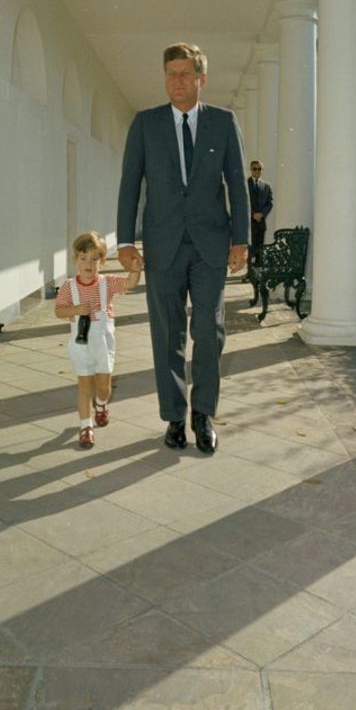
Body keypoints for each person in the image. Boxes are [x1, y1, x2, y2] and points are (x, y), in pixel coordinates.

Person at [116, 43, 250, 455]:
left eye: (185, 73)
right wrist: (124, 240)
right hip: (164, 245)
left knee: (209, 331)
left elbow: (236, 183)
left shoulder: (223, 123)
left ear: (200, 79)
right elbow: (130, 184)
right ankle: (174, 417)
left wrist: (241, 239)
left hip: (211, 244)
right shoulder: (145, 124)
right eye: (171, 73)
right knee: (167, 332)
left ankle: (203, 414)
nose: (177, 81)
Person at [54, 231, 141, 449]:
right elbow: (59, 311)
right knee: (84, 384)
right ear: (76, 260)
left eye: (94, 259)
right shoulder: (68, 287)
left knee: (103, 386)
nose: (88, 264)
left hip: (103, 342)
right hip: (80, 343)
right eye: (83, 259)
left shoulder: (106, 284)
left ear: (102, 261)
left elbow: (129, 283)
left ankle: (101, 405)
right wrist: (73, 309)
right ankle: (86, 426)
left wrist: (135, 269)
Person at [247, 160, 274, 269]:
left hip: (261, 223)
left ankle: (257, 272)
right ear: (251, 170)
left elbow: (270, 203)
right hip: (249, 223)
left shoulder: (266, 186)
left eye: (259, 169)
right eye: (254, 169)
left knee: (259, 249)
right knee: (250, 249)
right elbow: (243, 202)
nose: (257, 171)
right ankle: (249, 272)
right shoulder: (245, 185)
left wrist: (262, 214)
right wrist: (252, 214)